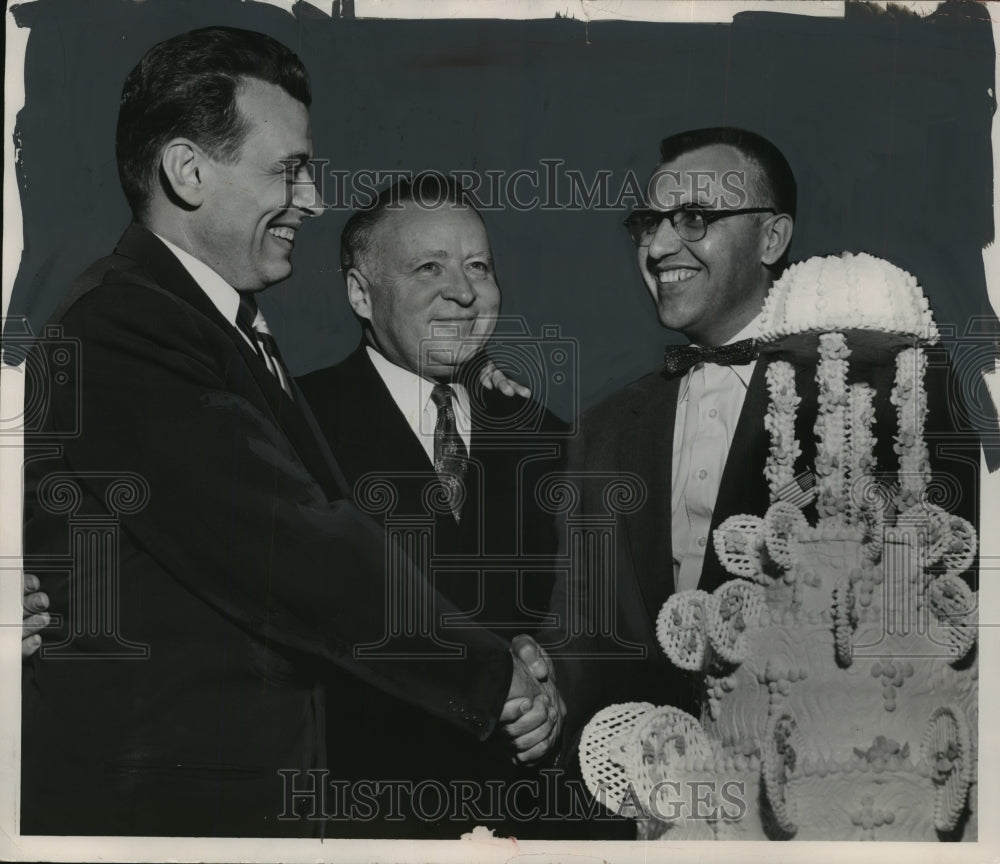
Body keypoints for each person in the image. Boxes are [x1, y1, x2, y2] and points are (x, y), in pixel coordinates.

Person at [20, 26, 560, 838]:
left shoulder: (213, 325)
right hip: (168, 813)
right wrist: (491, 675)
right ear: (187, 170)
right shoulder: (123, 326)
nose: (310, 199)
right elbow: (282, 543)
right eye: (288, 171)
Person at [551, 126, 980, 831]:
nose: (659, 248)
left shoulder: (874, 393)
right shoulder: (601, 427)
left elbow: (948, 606)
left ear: (772, 238)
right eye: (647, 224)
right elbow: (578, 629)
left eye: (695, 219)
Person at [296, 175, 569, 837]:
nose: (464, 291)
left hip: (522, 822)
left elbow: (584, 621)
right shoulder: (295, 425)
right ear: (361, 292)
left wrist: (558, 684)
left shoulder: (550, 438)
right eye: (428, 267)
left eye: (479, 266)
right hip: (359, 819)